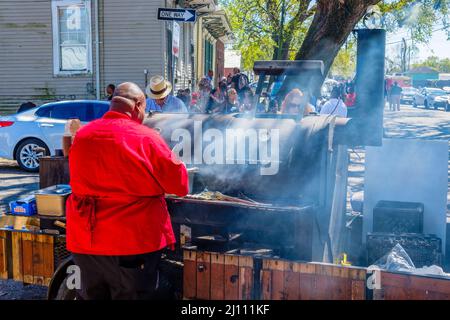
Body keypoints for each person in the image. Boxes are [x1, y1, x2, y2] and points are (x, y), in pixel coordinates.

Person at [66, 82, 189, 300]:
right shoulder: (147, 138)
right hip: (131, 241)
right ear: (139, 106)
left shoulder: (83, 136)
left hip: (86, 242)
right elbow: (179, 186)